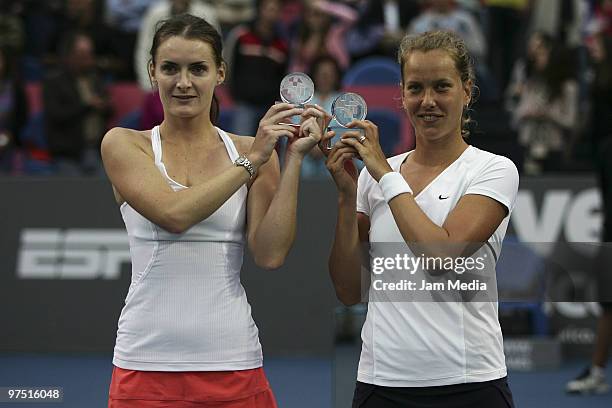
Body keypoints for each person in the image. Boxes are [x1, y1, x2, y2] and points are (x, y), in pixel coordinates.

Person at [102, 13, 325, 407]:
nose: (183, 82)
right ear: (152, 71)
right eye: (170, 68)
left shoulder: (251, 152)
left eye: (198, 69)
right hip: (143, 366)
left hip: (234, 363)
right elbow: (174, 215)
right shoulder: (124, 144)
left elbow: (270, 254)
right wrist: (252, 161)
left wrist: (290, 160)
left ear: (220, 73)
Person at [321, 30, 518, 407]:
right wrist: (348, 199)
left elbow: (440, 256)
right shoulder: (373, 176)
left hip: (469, 382)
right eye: (416, 88)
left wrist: (384, 174)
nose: (428, 101)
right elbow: (349, 290)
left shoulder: (492, 170)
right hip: (381, 383)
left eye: (442, 87)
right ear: (403, 95)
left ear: (467, 91)